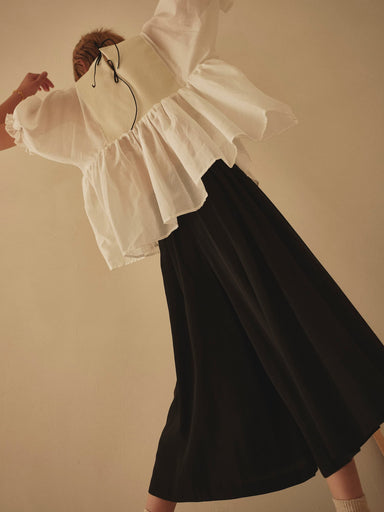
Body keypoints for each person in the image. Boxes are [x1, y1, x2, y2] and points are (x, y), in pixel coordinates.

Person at [1, 1, 383, 511]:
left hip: (183, 248)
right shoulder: (156, 49)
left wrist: (21, 93)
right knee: (303, 329)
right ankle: (354, 491)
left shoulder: (76, 114)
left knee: (205, 371)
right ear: (116, 44)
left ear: (77, 71)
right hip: (234, 212)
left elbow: (6, 130)